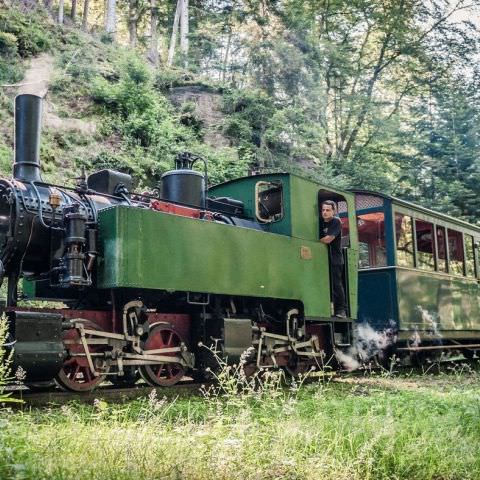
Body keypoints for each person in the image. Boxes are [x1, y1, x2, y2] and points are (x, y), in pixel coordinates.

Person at [319, 200, 347, 318]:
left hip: (335, 258)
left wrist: (316, 241)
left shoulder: (336, 221)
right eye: (323, 210)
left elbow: (328, 239)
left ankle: (341, 310)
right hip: (322, 258)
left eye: (328, 210)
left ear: (333, 211)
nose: (325, 212)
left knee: (336, 284)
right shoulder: (320, 222)